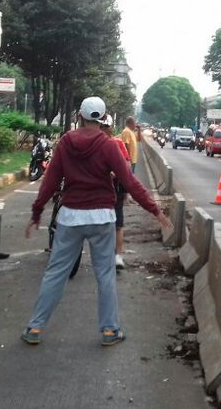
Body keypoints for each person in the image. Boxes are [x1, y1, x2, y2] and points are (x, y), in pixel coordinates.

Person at [22, 97, 172, 346]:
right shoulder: (109, 145)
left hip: (71, 216)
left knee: (55, 273)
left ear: (79, 116)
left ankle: (35, 328)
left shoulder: (65, 143)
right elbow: (129, 181)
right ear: (102, 119)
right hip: (102, 217)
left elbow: (49, 183)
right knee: (104, 274)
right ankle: (110, 331)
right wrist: (154, 209)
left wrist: (37, 213)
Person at [99, 114, 130, 270]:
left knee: (118, 223)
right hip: (96, 189)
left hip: (115, 188)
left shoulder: (117, 143)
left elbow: (126, 165)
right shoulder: (92, 143)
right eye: (102, 127)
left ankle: (117, 255)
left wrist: (115, 173)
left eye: (107, 127)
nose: (105, 130)